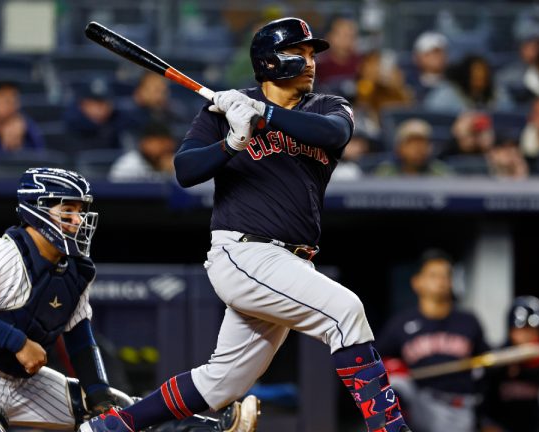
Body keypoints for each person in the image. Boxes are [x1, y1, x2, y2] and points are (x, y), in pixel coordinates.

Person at [81, 17, 411, 432]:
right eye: (299, 52)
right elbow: (186, 169)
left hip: (291, 263)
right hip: (244, 251)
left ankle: (113, 427)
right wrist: (232, 142)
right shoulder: (224, 109)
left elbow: (331, 134)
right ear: (270, 62)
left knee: (220, 384)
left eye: (312, 54)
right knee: (345, 313)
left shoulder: (326, 107)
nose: (310, 62)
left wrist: (263, 112)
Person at [0, 167, 253, 432]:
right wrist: (18, 342)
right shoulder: (4, 252)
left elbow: (79, 337)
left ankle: (208, 429)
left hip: (18, 380)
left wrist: (98, 393)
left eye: (80, 210)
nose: (78, 220)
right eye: (68, 210)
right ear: (38, 211)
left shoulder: (75, 269)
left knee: (116, 414)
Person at [376, 249, 489, 432]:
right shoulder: (402, 323)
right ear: (417, 282)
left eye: (446, 275)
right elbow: (373, 361)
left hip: (460, 408)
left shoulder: (468, 321)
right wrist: (391, 368)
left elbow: (487, 362)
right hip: (420, 403)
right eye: (433, 275)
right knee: (396, 383)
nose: (441, 281)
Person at [481, 296, 539, 432]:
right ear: (510, 331)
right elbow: (485, 408)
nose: (526, 336)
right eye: (520, 330)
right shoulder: (499, 357)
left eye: (531, 330)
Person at [424, 55, 514, 114]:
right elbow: (434, 116)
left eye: (483, 75)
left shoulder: (498, 94)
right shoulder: (446, 94)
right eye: (475, 76)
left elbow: (508, 117)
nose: (479, 79)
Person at [374, 118, 449, 177]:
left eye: (423, 143)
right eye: (411, 143)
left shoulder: (439, 172)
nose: (418, 149)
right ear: (399, 147)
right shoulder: (386, 172)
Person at [64, 78, 123, 150]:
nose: (99, 110)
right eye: (93, 104)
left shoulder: (119, 120)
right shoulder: (72, 123)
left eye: (104, 103)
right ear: (81, 104)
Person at [109, 122, 177, 182]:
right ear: (145, 143)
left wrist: (171, 173)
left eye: (167, 143)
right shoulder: (127, 165)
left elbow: (185, 193)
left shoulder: (176, 163)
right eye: (160, 143)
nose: (165, 147)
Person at [408, 32, 448, 104]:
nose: (436, 57)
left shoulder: (454, 85)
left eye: (440, 52)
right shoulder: (407, 86)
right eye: (429, 53)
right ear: (417, 57)